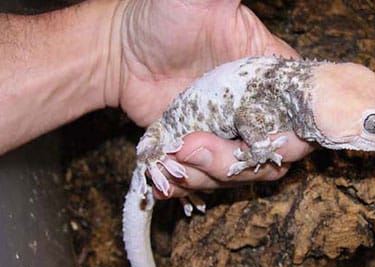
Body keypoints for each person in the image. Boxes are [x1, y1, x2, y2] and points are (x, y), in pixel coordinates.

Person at [0, 0, 313, 199]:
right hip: (162, 138)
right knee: (167, 153)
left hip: (170, 145)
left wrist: (117, 48)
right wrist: (117, 48)